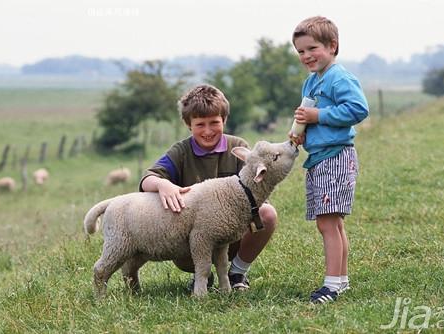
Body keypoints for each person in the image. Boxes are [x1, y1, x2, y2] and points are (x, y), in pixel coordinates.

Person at [139, 84, 278, 291]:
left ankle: (237, 273)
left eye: (214, 122)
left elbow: (257, 191)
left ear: (224, 120)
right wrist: (162, 184)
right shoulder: (181, 152)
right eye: (200, 124)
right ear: (189, 125)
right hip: (191, 241)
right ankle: (201, 276)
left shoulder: (237, 146)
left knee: (267, 213)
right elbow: (147, 178)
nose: (207, 131)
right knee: (197, 240)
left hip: (234, 237)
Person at [289, 16, 369, 304]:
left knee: (328, 222)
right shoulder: (311, 83)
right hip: (319, 157)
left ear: (332, 46)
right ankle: (341, 280)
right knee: (332, 223)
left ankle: (332, 284)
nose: (306, 56)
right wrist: (301, 132)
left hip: (336, 156)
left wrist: (318, 116)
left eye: (312, 49)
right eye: (300, 51)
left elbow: (358, 109)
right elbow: (307, 115)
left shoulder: (339, 77)